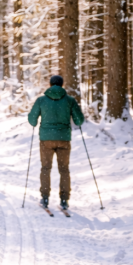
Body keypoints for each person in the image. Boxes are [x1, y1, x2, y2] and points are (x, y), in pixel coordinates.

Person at [27, 75, 85, 211]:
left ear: (50, 84)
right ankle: (64, 200)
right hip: (64, 139)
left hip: (46, 139)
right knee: (64, 169)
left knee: (46, 168)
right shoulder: (70, 100)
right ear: (62, 84)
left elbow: (32, 120)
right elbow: (79, 120)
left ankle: (45, 197)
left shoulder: (41, 100)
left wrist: (37, 121)